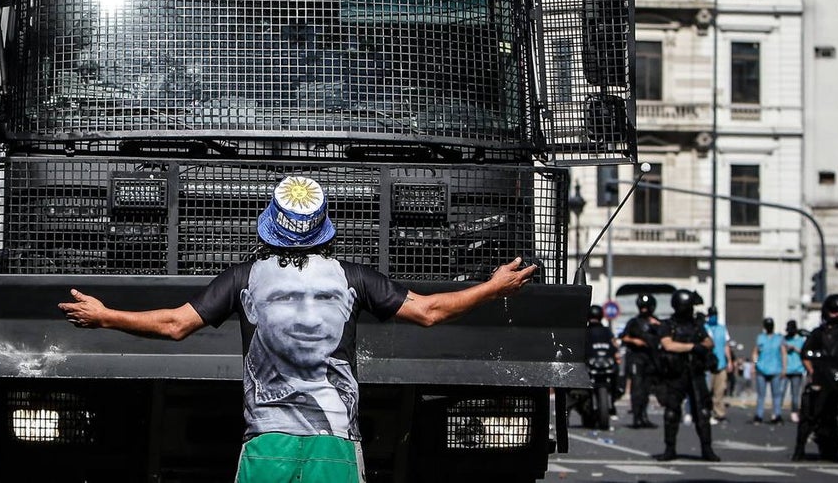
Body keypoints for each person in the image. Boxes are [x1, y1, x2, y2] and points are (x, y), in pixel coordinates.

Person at [57, 175, 536, 482]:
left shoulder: (244, 278)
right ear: (325, 226)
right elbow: (432, 311)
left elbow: (175, 324)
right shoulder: (353, 279)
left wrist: (106, 316)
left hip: (267, 441)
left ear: (270, 224)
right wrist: (491, 287)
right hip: (335, 444)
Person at [652, 289, 718, 462]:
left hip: (695, 373)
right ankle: (670, 449)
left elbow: (709, 342)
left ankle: (707, 448)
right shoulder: (669, 325)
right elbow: (668, 345)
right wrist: (692, 347)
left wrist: (699, 346)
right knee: (672, 413)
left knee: (703, 412)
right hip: (676, 374)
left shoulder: (697, 325)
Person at [793, 294, 838, 461]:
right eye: (833, 311)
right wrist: (812, 373)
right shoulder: (818, 334)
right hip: (823, 378)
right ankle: (800, 448)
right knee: (811, 412)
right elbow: (805, 355)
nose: (836, 315)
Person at [620, 293, 661, 429]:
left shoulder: (656, 322)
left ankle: (643, 416)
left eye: (646, 307)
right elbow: (624, 337)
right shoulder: (634, 322)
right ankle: (637, 417)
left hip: (650, 360)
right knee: (637, 388)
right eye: (642, 307)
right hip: (636, 359)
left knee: (646, 390)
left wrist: (659, 325)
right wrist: (635, 341)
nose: (644, 310)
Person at [752, 317, 785, 424]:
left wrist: (784, 368)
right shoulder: (760, 338)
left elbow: (783, 354)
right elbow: (755, 352)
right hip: (762, 369)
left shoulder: (779, 338)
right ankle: (759, 415)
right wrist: (755, 364)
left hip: (775, 369)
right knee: (761, 394)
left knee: (776, 394)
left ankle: (777, 414)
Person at [704, 306, 734, 423]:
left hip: (720, 363)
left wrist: (729, 361)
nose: (713, 317)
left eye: (715, 314)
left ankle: (719, 413)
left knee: (720, 391)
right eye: (711, 315)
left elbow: (726, 345)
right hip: (707, 364)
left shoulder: (722, 328)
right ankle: (706, 412)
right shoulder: (704, 328)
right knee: (706, 391)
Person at [782, 319, 805, 424]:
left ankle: (794, 412)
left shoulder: (800, 340)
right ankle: (778, 412)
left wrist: (794, 348)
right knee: (781, 391)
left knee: (795, 394)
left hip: (797, 369)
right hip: (786, 369)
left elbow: (804, 353)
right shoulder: (784, 339)